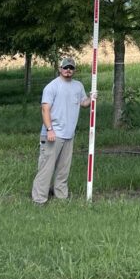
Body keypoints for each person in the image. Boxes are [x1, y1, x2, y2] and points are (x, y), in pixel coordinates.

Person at [31, 56, 96, 204]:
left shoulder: (78, 86)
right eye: (65, 67)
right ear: (60, 69)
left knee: (63, 168)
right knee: (46, 168)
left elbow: (83, 103)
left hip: (69, 135)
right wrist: (49, 130)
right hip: (53, 134)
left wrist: (91, 98)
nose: (68, 70)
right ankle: (39, 199)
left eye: (71, 68)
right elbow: (45, 109)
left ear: (74, 70)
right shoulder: (52, 87)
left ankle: (61, 196)